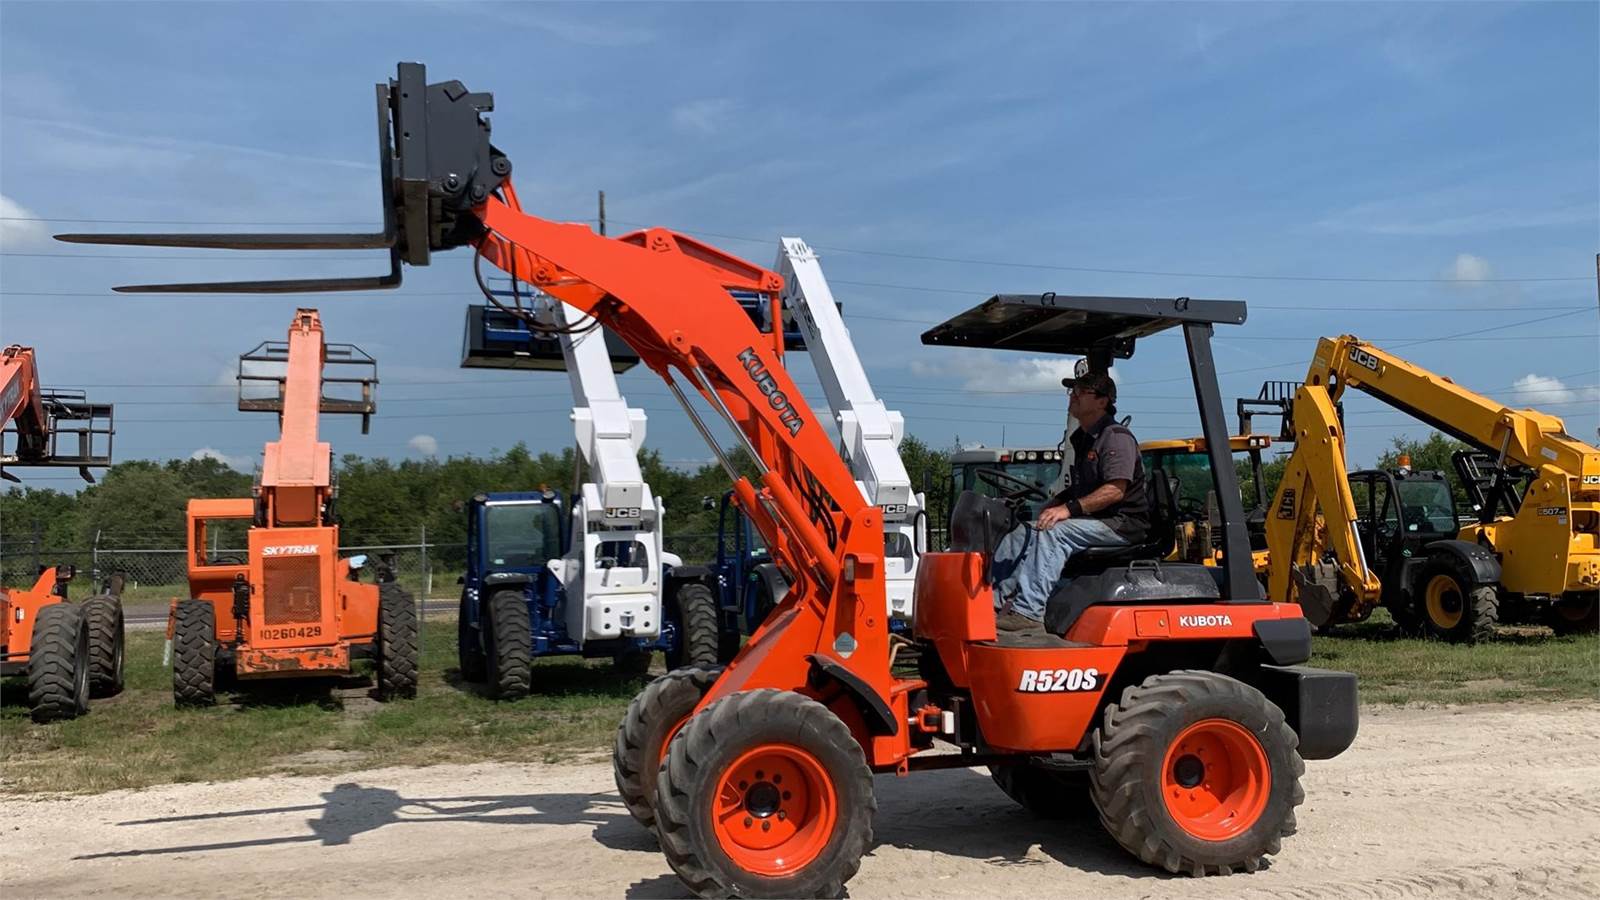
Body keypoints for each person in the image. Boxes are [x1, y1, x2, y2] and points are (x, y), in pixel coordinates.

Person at [991, 372, 1150, 633]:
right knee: (1021, 532)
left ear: (1102, 401)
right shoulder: (1083, 438)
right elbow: (1081, 487)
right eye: (1072, 391)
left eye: (1080, 392)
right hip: (1094, 520)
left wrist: (1067, 509)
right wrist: (1056, 501)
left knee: (1054, 532)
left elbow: (1114, 490)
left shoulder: (1115, 437)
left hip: (1121, 525)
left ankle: (1028, 612)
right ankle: (992, 604)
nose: (1073, 397)